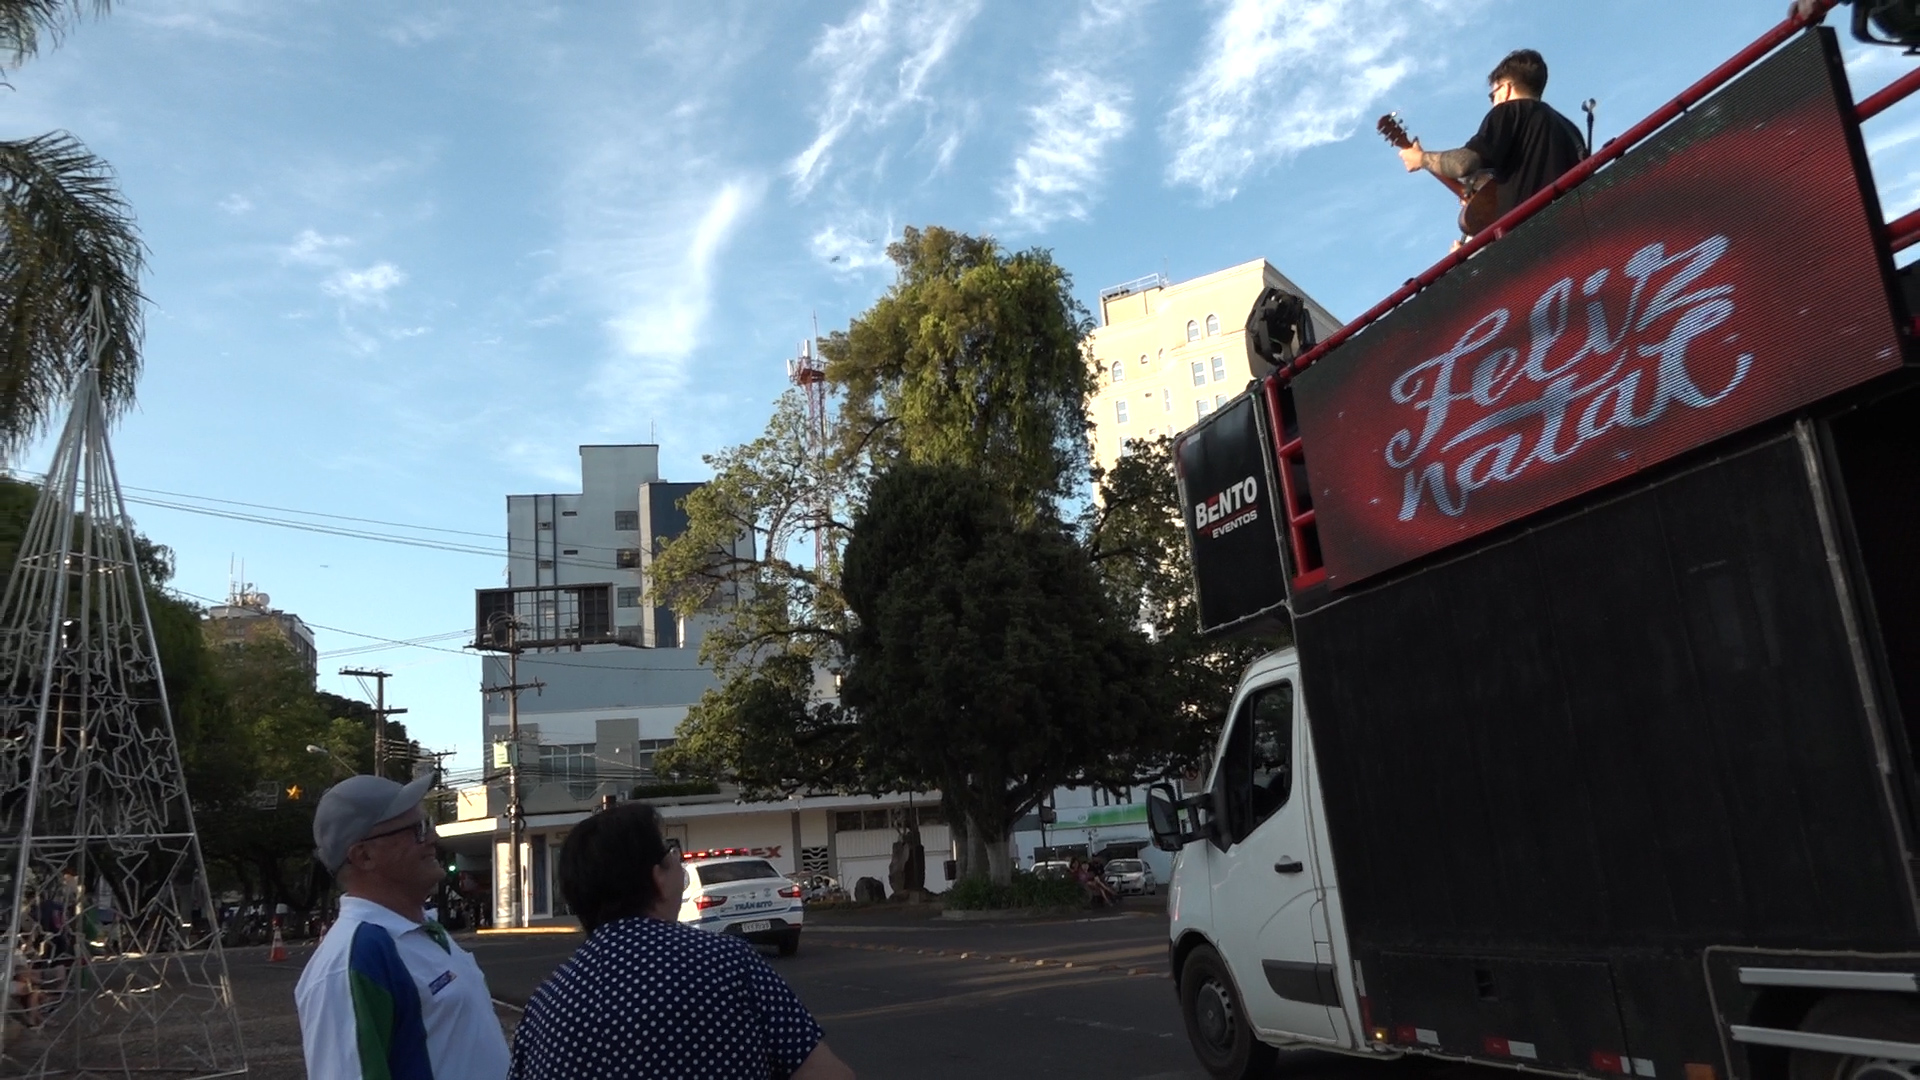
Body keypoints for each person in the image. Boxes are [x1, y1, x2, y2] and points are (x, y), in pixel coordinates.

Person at [508, 802, 855, 1080]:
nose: (679, 864)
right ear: (657, 878)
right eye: (671, 855)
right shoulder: (729, 964)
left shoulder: (545, 1007)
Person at [294, 774, 510, 1080]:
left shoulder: (422, 930)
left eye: (429, 824)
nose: (433, 837)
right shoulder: (353, 961)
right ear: (364, 856)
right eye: (417, 830)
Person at [1399, 49, 1587, 223]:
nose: (1493, 102)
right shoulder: (1571, 129)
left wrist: (1421, 159)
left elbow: (1463, 164)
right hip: (1573, 230)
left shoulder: (1508, 112)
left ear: (1505, 89)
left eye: (1492, 95)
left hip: (1528, 235)